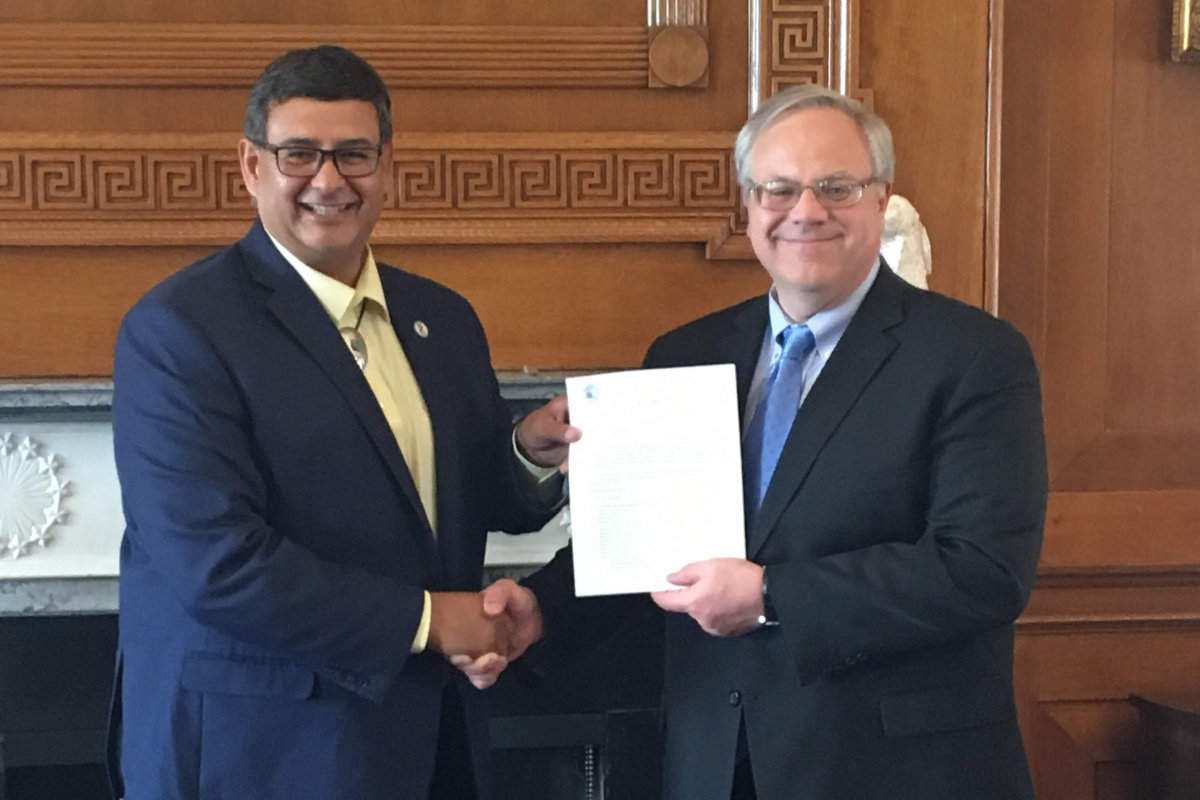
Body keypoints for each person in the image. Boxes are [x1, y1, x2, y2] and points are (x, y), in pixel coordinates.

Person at [466, 84, 1048, 800]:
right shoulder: (685, 354)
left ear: (880, 196)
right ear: (748, 206)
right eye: (778, 189)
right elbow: (651, 549)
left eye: (835, 187)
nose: (805, 212)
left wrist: (772, 594)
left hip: (899, 770)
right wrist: (543, 606)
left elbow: (982, 571)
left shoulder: (972, 356)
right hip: (716, 763)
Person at [108, 45, 577, 800]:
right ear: (252, 165)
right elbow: (216, 563)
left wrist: (526, 453)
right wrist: (431, 621)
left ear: (387, 165)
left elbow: (462, 506)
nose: (328, 181)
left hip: (428, 739)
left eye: (353, 155)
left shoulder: (441, 318)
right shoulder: (179, 330)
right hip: (263, 753)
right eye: (299, 154)